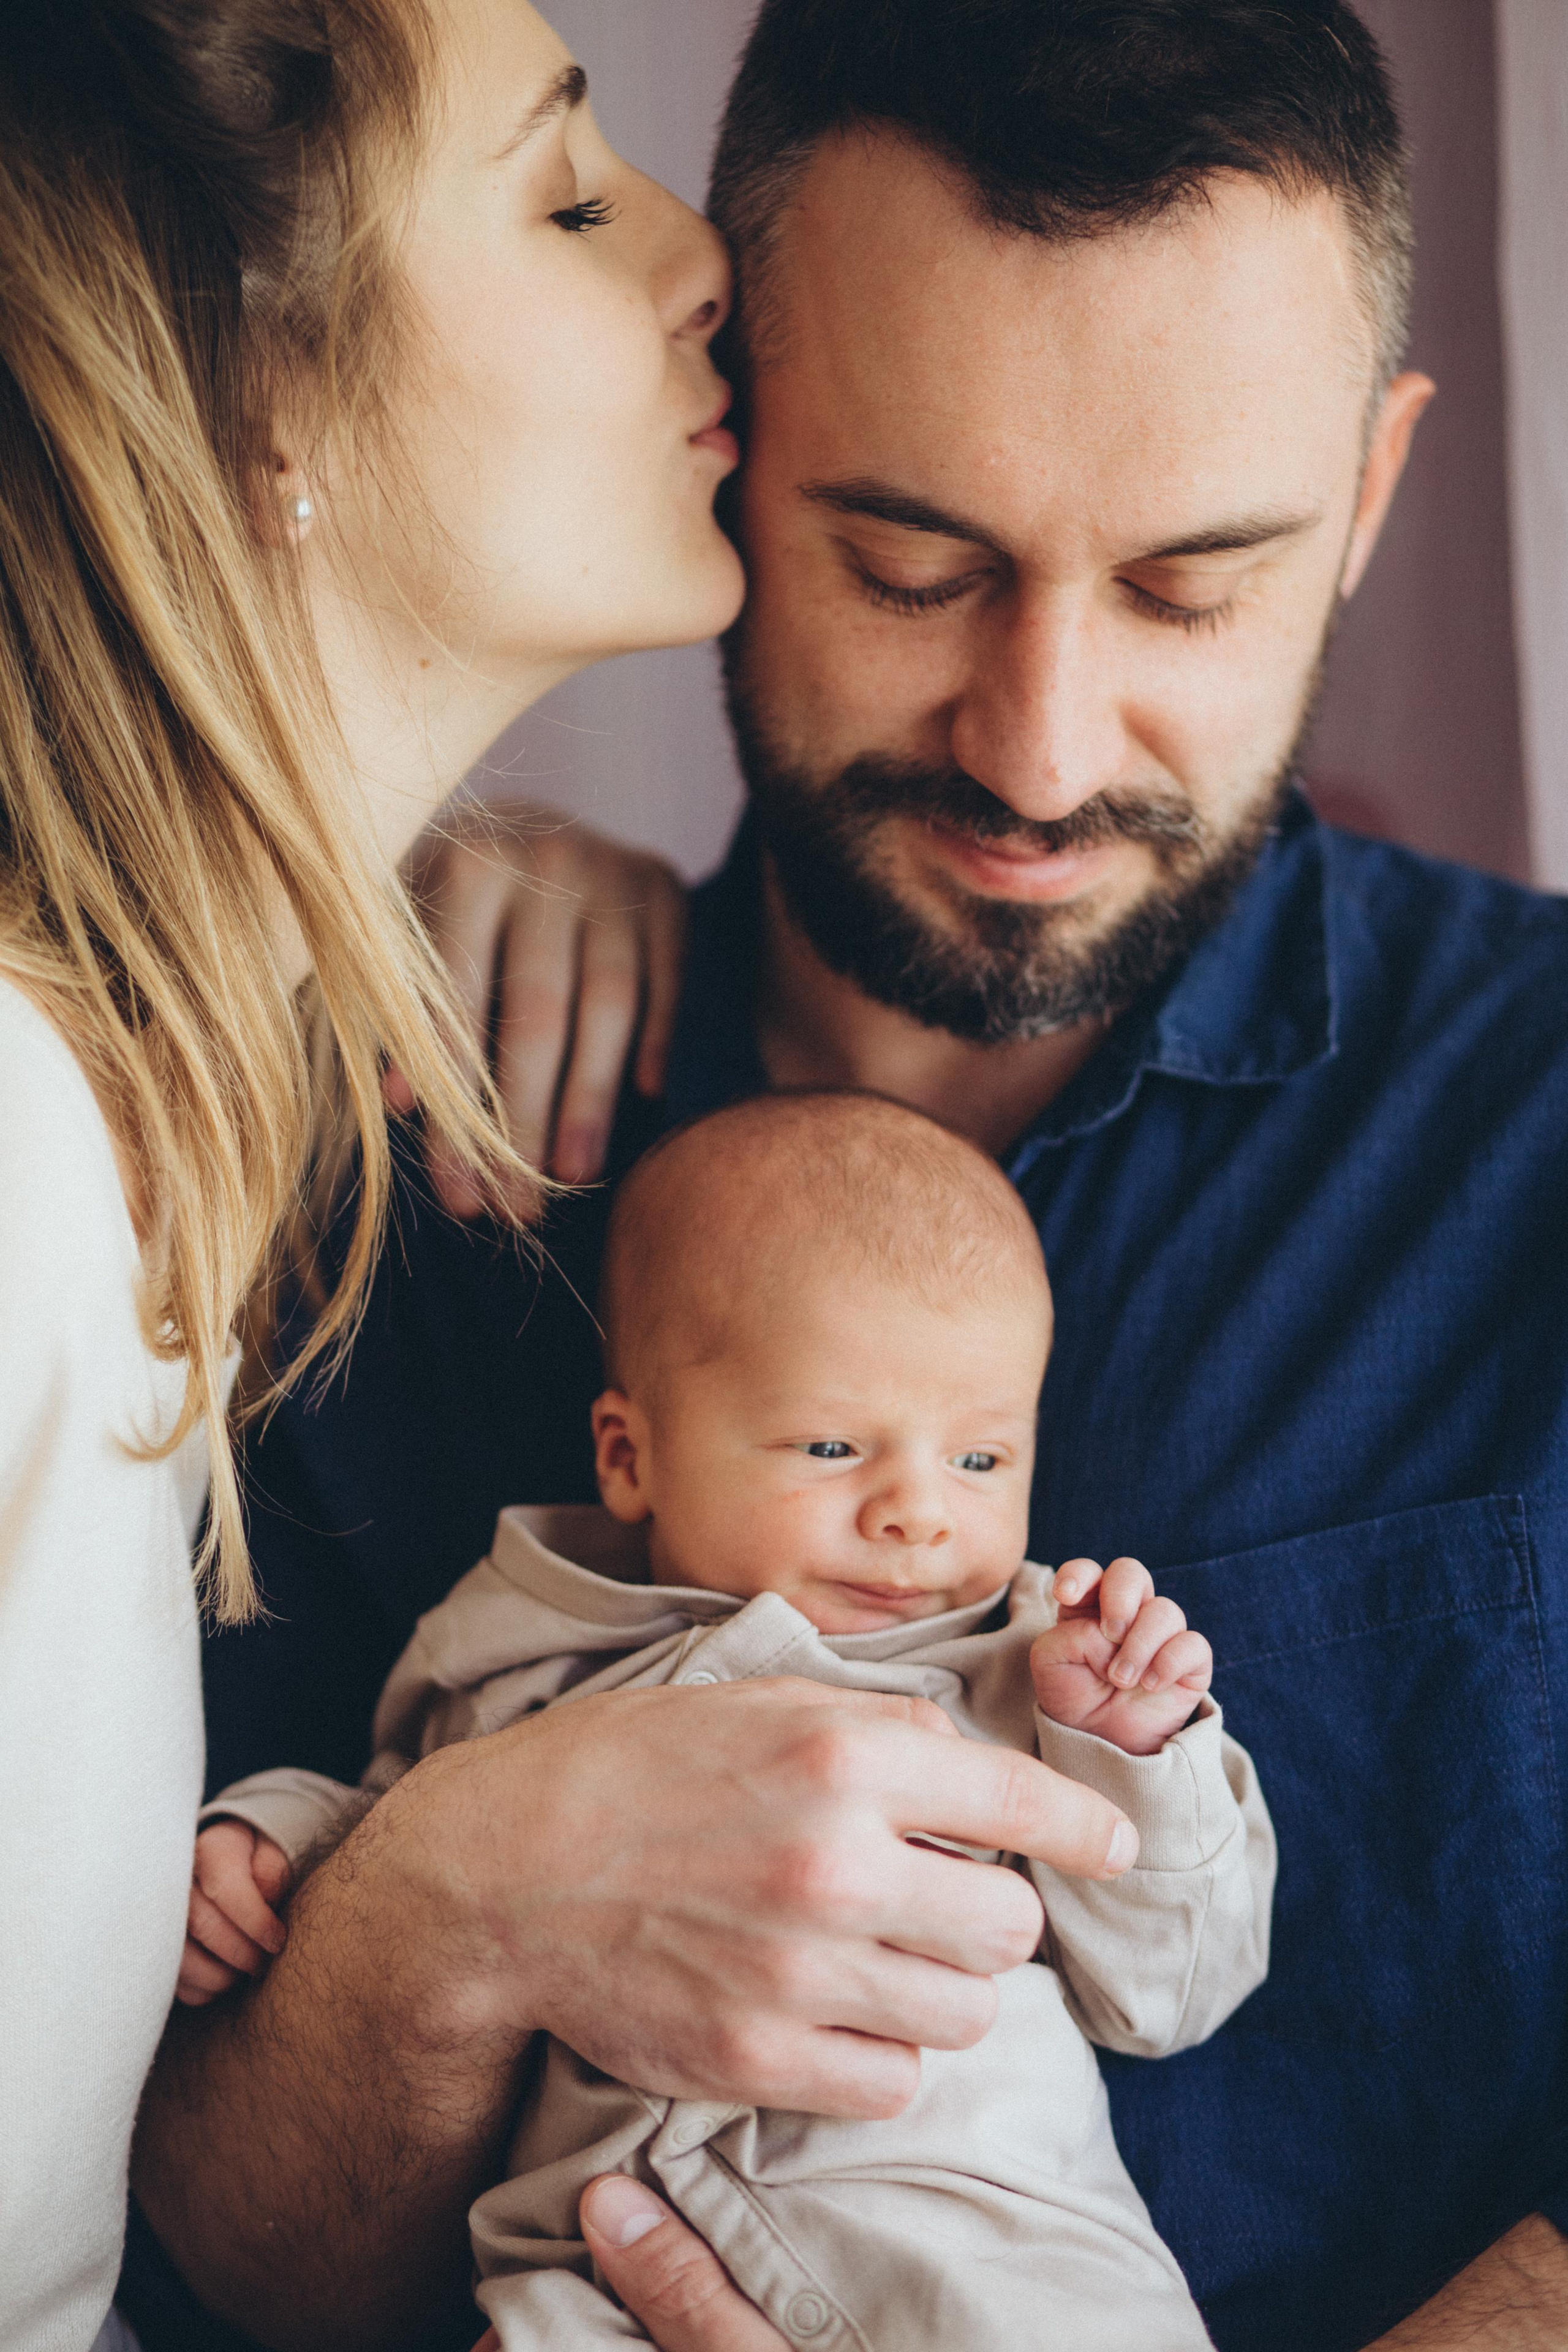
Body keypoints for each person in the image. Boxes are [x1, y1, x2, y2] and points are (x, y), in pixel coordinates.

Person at [127, 4, 1568, 2351]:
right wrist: (462, 1894)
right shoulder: (386, 1173)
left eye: (1197, 586)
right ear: (727, 441)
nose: (1041, 747)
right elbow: (214, 2246)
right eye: (912, 562)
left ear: (1377, 498)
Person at [0, 0, 925, 2346]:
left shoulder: (171, 1121)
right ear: (258, 401)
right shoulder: (20, 1163)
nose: (705, 255)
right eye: (561, 189)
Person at [181, 1091, 1274, 2350]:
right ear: (627, 1455)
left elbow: (1172, 1991)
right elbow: (396, 1827)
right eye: (829, 1444)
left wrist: (1129, 1751)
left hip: (975, 2267)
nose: (917, 1514)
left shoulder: (1025, 1672)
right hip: (599, 2265)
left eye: (979, 1461)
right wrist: (268, 1847)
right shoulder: (511, 1644)